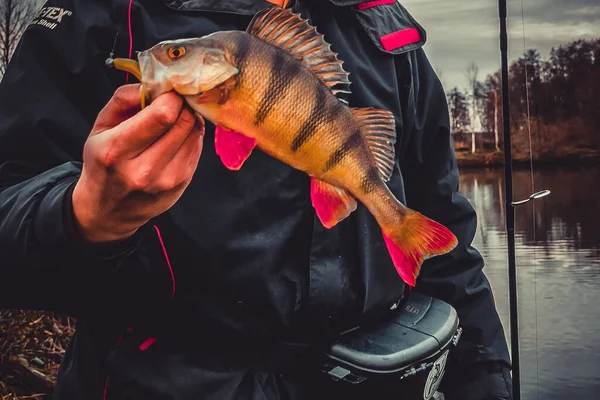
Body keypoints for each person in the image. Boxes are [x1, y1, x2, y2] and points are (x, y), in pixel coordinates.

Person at [0, 0, 512, 399]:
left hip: (371, 379)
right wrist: (84, 217)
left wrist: (487, 382)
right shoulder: (100, 15)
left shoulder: (384, 27)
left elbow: (452, 261)